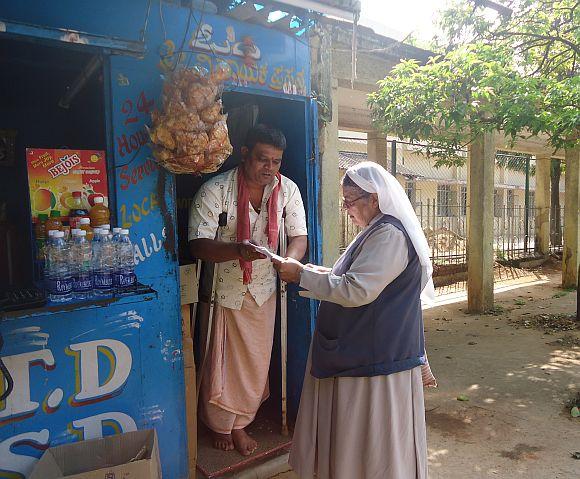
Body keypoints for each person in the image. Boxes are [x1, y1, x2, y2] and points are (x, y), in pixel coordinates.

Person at [273, 161, 436, 478]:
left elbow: (357, 289)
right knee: (362, 439)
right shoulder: (376, 231)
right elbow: (352, 277)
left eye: (350, 202)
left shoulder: (388, 235)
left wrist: (302, 274)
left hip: (373, 358)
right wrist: (312, 273)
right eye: (344, 202)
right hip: (367, 350)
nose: (346, 209)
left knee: (371, 441)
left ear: (373, 199)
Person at [188, 124, 308, 456]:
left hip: (265, 288)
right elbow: (198, 244)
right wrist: (236, 251)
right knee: (221, 362)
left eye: (276, 162)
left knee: (255, 361)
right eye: (262, 159)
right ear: (244, 155)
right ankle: (222, 425)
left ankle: (241, 422)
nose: (269, 168)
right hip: (222, 288)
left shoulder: (288, 191)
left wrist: (290, 262)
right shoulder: (217, 190)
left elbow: (299, 236)